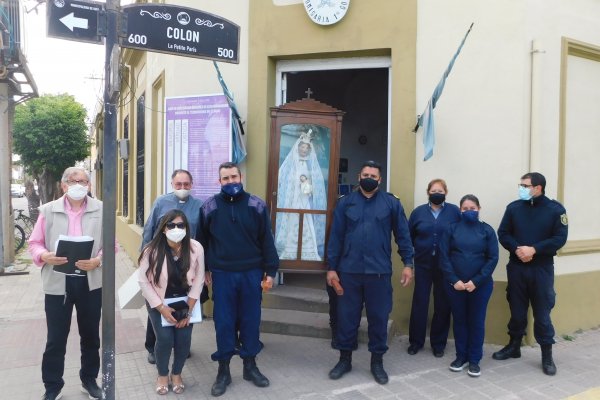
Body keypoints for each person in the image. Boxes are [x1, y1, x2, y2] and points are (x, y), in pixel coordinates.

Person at [326, 160, 414, 385]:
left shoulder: (391, 203)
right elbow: (335, 237)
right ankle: (344, 359)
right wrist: (332, 268)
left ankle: (377, 362)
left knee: (378, 318)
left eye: (373, 176)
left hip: (379, 273)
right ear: (358, 177)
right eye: (365, 174)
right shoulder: (346, 203)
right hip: (349, 271)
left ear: (380, 180)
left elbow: (403, 235)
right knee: (347, 318)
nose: (369, 178)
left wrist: (408, 263)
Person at [197, 162, 279, 397]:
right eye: (225, 178)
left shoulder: (257, 205)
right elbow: (200, 243)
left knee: (251, 321)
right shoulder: (209, 207)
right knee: (224, 322)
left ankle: (250, 366)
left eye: (234, 177)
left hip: (251, 274)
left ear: (241, 177)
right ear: (219, 181)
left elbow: (267, 240)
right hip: (222, 275)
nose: (231, 181)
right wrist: (204, 271)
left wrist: (270, 271)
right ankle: (223, 371)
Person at [28, 167, 106, 400]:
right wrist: (44, 256)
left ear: (90, 185)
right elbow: (34, 243)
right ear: (64, 185)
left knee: (91, 335)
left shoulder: (101, 209)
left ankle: (89, 380)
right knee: (56, 338)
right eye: (73, 181)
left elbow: (110, 245)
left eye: (83, 181)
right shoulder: (49, 211)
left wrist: (98, 260)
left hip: (89, 282)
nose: (78, 185)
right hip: (58, 282)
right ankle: (53, 387)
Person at [494, 172, 568, 376]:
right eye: (521, 185)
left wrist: (534, 249)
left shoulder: (555, 210)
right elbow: (503, 233)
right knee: (517, 311)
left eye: (525, 185)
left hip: (541, 269)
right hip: (517, 268)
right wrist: (518, 249)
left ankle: (547, 356)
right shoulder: (514, 208)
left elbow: (560, 238)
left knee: (542, 315)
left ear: (538, 188)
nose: (521, 188)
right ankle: (514, 346)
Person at [138, 210, 205, 395]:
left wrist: (188, 310)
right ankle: (162, 375)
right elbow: (143, 280)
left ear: (187, 228)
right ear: (163, 229)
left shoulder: (196, 248)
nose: (176, 229)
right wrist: (160, 307)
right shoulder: (151, 250)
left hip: (186, 300)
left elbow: (199, 279)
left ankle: (177, 374)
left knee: (183, 340)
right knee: (165, 339)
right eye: (171, 225)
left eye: (180, 225)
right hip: (158, 300)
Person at [141, 169, 204, 365]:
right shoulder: (161, 202)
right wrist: (144, 258)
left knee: (184, 303)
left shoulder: (199, 206)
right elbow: (150, 229)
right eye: (179, 185)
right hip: (161, 259)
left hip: (187, 261)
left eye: (186, 184)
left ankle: (182, 346)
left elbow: (201, 234)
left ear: (191, 185)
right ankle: (153, 346)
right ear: (172, 184)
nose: (182, 188)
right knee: (159, 303)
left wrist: (202, 265)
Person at [439, 194, 499, 377]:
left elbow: (492, 258)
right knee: (460, 321)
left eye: (472, 208)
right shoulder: (451, 229)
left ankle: (474, 360)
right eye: (465, 209)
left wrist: (476, 281)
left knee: (476, 322)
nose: (469, 211)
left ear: (479, 209)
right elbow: (444, 256)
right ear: (460, 210)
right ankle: (461, 357)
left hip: (480, 286)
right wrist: (454, 280)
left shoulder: (487, 231)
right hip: (455, 285)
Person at [407, 179, 461, 357]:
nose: (436, 193)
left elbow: (461, 234)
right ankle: (416, 342)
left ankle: (438, 344)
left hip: (446, 267)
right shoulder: (418, 213)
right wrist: (409, 262)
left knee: (442, 305)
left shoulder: (454, 212)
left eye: (440, 190)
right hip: (423, 265)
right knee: (420, 303)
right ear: (428, 192)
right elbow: (408, 237)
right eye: (433, 190)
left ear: (446, 192)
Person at [275, 129, 327, 260]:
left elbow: (317, 181)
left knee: (306, 222)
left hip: (305, 200)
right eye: (302, 147)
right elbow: (282, 179)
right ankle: (290, 249)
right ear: (298, 148)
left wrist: (307, 184)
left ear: (309, 150)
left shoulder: (311, 165)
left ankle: (308, 249)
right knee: (292, 221)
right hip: (293, 200)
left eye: (306, 147)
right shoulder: (292, 164)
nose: (304, 149)